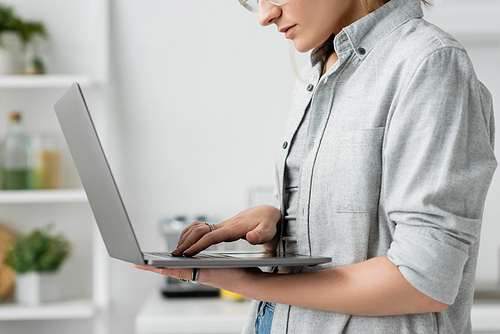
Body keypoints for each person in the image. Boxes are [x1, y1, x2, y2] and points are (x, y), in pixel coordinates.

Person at [135, 0, 497, 332]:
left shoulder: (428, 63)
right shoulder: (319, 71)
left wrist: (248, 282)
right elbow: (357, 233)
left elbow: (423, 280)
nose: (265, 15)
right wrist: (280, 222)